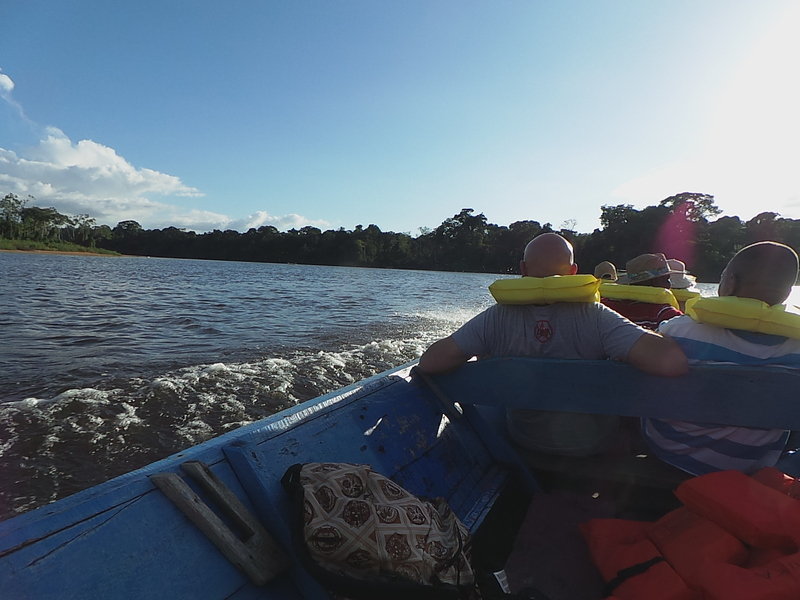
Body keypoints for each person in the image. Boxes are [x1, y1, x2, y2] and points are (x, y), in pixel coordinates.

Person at [418, 233, 688, 457]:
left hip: (524, 439)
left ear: (523, 269)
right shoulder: (597, 317)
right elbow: (672, 362)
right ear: (573, 271)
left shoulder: (495, 318)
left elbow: (430, 362)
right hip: (594, 444)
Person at [643, 241, 800, 475]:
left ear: (730, 282)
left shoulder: (679, 331)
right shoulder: (796, 350)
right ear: (787, 292)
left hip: (671, 454)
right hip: (750, 467)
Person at [600, 252, 683, 330]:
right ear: (653, 282)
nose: (670, 284)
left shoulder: (604, 307)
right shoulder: (667, 315)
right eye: (667, 279)